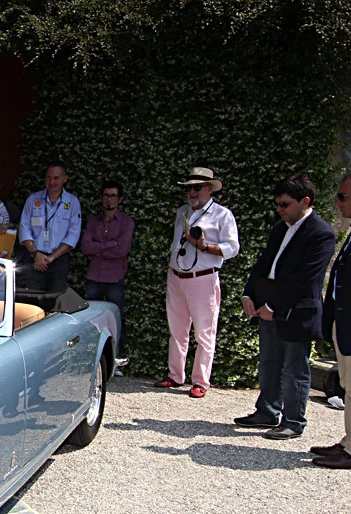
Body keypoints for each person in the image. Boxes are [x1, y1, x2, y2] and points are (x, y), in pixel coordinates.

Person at [232, 174, 335, 439]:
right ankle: (267, 411)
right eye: (276, 204)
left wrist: (273, 306)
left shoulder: (321, 233)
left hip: (297, 312)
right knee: (269, 362)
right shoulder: (280, 228)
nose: (279, 209)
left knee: (294, 369)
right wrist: (248, 294)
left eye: (284, 204)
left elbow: (305, 279)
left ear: (305, 201)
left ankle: (293, 420)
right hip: (268, 306)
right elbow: (264, 263)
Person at [154, 167, 240, 398]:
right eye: (189, 188)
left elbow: (233, 248)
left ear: (209, 189)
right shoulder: (182, 211)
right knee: (176, 330)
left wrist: (205, 247)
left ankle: (201, 381)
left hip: (202, 278)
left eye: (197, 187)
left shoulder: (222, 214)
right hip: (176, 277)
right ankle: (175, 375)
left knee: (204, 333)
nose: (192, 192)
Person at [311, 173, 351, 467]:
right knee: (348, 385)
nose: (337, 203)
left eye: (343, 197)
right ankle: (348, 442)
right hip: (343, 320)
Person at [81, 180, 135, 367]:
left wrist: (99, 247)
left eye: (112, 196)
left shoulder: (126, 222)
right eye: (105, 195)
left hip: (114, 277)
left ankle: (116, 360)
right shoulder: (93, 221)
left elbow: (122, 249)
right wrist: (110, 244)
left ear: (120, 199)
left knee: (115, 320)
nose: (108, 199)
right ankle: (91, 360)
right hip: (94, 276)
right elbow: (86, 247)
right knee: (91, 319)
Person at [18, 162, 82, 292]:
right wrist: (36, 254)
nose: (52, 182)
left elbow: (73, 234)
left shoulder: (72, 202)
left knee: (56, 299)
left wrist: (51, 257)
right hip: (35, 258)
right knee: (33, 299)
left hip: (58, 260)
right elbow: (24, 228)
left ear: (65, 179)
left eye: (56, 178)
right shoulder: (33, 199)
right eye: (49, 177)